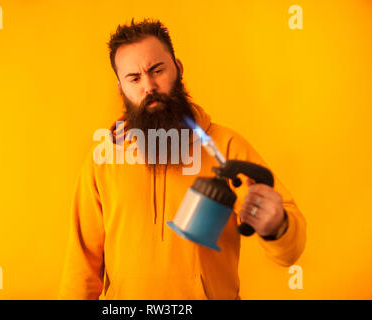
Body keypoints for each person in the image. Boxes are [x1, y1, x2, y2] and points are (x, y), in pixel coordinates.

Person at [58, 19, 306, 300]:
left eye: (157, 70)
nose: (149, 86)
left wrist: (277, 226)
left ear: (178, 68)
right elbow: (81, 265)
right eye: (134, 78)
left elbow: (290, 248)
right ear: (121, 89)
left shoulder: (226, 146)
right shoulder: (103, 159)